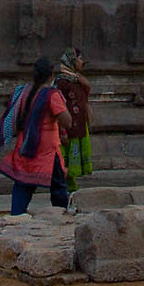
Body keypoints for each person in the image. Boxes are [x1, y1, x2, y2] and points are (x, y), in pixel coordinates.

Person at [0, 55, 71, 215]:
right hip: (47, 150)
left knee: (23, 183)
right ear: (51, 76)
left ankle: (16, 217)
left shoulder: (23, 91)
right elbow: (67, 121)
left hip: (25, 146)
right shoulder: (51, 95)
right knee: (58, 186)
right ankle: (62, 216)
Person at [56, 47, 95, 191]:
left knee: (74, 158)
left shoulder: (77, 79)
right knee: (66, 159)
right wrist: (62, 129)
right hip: (68, 128)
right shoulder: (62, 82)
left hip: (79, 126)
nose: (82, 62)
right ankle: (66, 187)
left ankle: (70, 187)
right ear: (72, 60)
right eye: (80, 58)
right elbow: (58, 106)